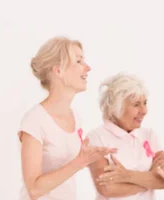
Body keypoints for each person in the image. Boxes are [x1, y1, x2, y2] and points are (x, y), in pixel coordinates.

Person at [18, 36, 117, 200]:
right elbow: (34, 189)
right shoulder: (34, 121)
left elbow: (68, 164)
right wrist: (80, 161)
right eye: (79, 61)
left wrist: (93, 157)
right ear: (58, 71)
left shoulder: (75, 117)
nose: (88, 68)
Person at [86, 72, 164, 199]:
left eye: (145, 103)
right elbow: (107, 188)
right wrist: (150, 179)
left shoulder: (149, 135)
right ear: (117, 107)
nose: (144, 111)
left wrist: (127, 176)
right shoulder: (96, 137)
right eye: (136, 104)